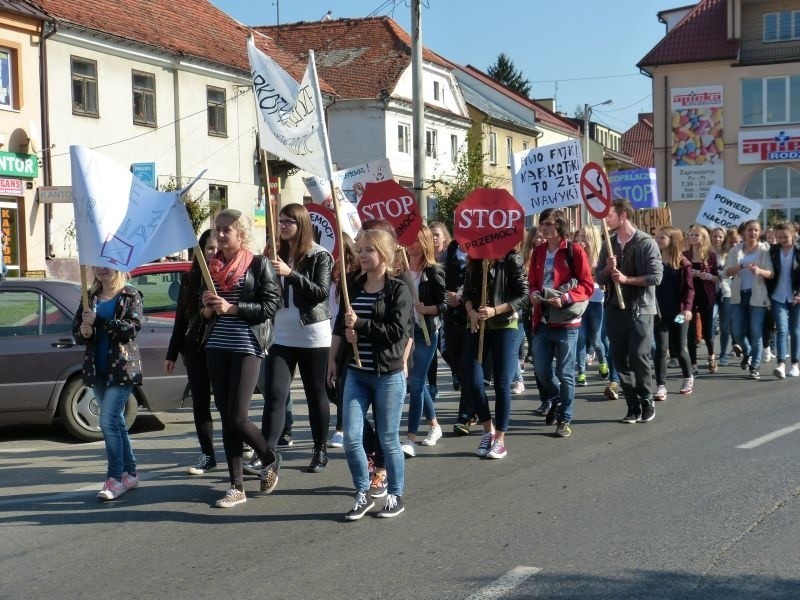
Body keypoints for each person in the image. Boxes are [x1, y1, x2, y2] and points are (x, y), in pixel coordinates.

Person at [328, 228, 412, 520]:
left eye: (369, 250)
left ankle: (395, 494)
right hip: (356, 373)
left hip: (387, 375)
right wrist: (333, 358)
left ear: (385, 254)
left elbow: (396, 333)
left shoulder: (398, 289)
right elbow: (341, 323)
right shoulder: (354, 283)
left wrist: (361, 326)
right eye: (361, 250)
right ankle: (362, 492)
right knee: (352, 437)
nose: (362, 255)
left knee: (388, 439)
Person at [202, 208, 281, 508]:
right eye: (217, 229)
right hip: (217, 347)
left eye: (227, 230)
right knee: (226, 418)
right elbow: (205, 312)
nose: (220, 235)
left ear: (241, 234)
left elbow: (270, 306)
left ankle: (268, 457)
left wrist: (232, 309)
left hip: (247, 345)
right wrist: (208, 308)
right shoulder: (211, 265)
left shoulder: (258, 265)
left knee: (238, 416)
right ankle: (236, 486)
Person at [261, 203, 334, 475]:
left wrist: (290, 274)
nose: (282, 226)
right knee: (275, 393)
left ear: (300, 224)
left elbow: (320, 292)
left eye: (288, 222)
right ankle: (267, 452)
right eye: (280, 221)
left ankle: (320, 449)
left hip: (313, 333)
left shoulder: (319, 255)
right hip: (281, 334)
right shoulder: (276, 255)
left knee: (316, 394)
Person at [73, 267, 143, 501]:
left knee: (108, 422)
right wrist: (83, 332)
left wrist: (99, 322)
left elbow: (131, 329)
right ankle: (130, 473)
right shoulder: (89, 296)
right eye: (97, 264)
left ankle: (114, 478)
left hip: (122, 369)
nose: (101, 269)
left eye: (106, 264)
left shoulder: (130, 295)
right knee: (117, 422)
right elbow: (78, 332)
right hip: (98, 369)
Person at [596, 199, 663, 424]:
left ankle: (646, 400)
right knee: (619, 358)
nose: (606, 219)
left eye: (610, 215)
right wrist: (606, 269)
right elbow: (598, 276)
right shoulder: (609, 242)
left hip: (641, 308)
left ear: (623, 215)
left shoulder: (645, 242)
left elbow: (656, 276)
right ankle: (632, 405)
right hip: (615, 307)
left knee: (639, 356)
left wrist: (626, 279)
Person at [528, 208, 594, 438]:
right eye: (541, 223)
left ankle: (565, 418)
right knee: (542, 370)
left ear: (559, 225)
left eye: (547, 223)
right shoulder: (538, 251)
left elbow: (587, 285)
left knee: (565, 373)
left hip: (566, 321)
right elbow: (532, 282)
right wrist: (534, 294)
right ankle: (557, 397)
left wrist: (565, 298)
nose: (542, 228)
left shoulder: (574, 250)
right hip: (543, 318)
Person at [462, 243, 528, 458]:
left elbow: (523, 296)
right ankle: (487, 431)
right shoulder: (475, 258)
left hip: (504, 324)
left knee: (501, 382)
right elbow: (467, 293)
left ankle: (500, 439)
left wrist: (495, 310)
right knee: (472, 379)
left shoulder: (511, 259)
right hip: (477, 325)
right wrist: (471, 311)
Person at [164, 229, 220, 475]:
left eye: (217, 248)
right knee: (200, 402)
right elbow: (181, 319)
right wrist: (172, 353)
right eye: (209, 248)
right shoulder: (190, 279)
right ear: (199, 251)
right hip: (195, 348)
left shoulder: (231, 275)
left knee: (227, 402)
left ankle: (241, 445)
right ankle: (207, 454)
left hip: (224, 347)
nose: (214, 253)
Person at [401, 225, 447, 456]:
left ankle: (409, 438)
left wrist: (427, 308)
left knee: (417, 384)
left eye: (417, 240)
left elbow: (444, 304)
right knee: (417, 384)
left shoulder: (434, 270)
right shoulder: (399, 270)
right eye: (409, 239)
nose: (412, 244)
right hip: (406, 333)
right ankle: (435, 426)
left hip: (427, 333)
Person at [723, 220, 773, 380]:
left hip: (757, 295)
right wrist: (741, 267)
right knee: (737, 332)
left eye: (756, 230)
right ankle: (748, 352)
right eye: (750, 230)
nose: (753, 233)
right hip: (739, 295)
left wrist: (759, 270)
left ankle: (755, 365)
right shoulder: (735, 250)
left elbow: (771, 273)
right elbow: (726, 272)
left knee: (755, 331)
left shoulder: (765, 249)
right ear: (744, 232)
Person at [653, 226, 695, 399]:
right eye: (656, 237)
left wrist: (687, 309)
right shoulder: (654, 260)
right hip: (659, 313)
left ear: (672, 240)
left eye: (662, 237)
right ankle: (661, 385)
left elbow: (689, 290)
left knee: (678, 348)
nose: (657, 240)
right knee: (661, 349)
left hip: (678, 313)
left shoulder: (682, 263)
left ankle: (688, 377)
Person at [574, 224, 609, 386]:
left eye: (584, 236)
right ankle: (581, 372)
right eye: (580, 236)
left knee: (595, 339)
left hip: (595, 301)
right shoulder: (576, 254)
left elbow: (600, 279)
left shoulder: (599, 258)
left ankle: (603, 361)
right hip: (580, 301)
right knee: (580, 338)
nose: (581, 239)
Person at [766, 221, 800, 379]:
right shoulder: (772, 250)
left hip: (796, 297)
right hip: (777, 296)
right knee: (781, 330)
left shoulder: (799, 250)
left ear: (793, 234)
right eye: (779, 237)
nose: (782, 239)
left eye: (785, 236)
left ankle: (794, 364)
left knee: (795, 331)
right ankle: (780, 364)